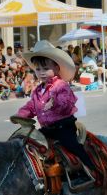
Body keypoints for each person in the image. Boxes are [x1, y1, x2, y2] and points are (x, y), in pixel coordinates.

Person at [16, 40, 96, 173]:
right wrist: (21, 115)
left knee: (72, 146)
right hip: (47, 129)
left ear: (57, 68)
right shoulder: (37, 90)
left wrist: (55, 104)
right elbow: (31, 106)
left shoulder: (61, 85)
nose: (41, 72)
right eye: (38, 69)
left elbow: (66, 103)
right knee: (30, 143)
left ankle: (91, 170)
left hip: (63, 128)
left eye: (46, 69)